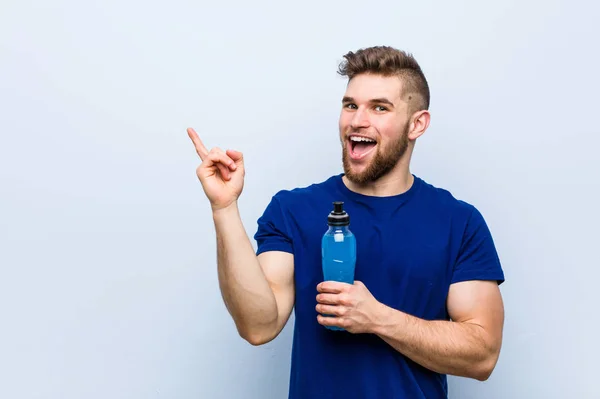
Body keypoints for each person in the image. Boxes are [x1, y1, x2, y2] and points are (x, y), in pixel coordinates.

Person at [187, 45, 505, 399]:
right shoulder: (293, 210)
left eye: (379, 108)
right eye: (350, 105)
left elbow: (483, 355)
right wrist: (224, 209)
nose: (357, 120)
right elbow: (258, 325)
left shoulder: (458, 222)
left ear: (417, 124)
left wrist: (377, 318)